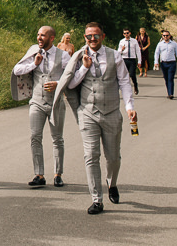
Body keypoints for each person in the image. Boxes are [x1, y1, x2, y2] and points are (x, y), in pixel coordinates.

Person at [53, 22, 137, 215]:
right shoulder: (79, 56)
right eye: (88, 36)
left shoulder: (115, 55)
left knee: (113, 157)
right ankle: (96, 199)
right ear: (84, 38)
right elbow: (70, 84)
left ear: (103, 37)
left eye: (96, 36)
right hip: (88, 113)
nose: (92, 39)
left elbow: (124, 81)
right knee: (91, 155)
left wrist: (129, 107)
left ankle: (112, 183)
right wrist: (83, 68)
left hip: (112, 112)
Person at [12, 25, 71, 188]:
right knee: (35, 136)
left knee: (57, 138)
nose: (39, 37)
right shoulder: (33, 52)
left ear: (51, 38)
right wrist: (33, 65)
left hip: (55, 102)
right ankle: (39, 174)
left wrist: (58, 83)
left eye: (43, 35)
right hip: (37, 101)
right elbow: (17, 69)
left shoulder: (63, 56)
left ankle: (58, 174)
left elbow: (71, 77)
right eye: (38, 34)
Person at [153, 30, 177, 99]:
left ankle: (171, 94)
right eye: (164, 35)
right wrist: (156, 62)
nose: (165, 37)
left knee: (170, 78)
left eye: (167, 35)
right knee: (166, 78)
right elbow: (157, 53)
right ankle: (168, 92)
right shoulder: (160, 44)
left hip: (171, 63)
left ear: (169, 36)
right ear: (162, 36)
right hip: (163, 63)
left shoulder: (174, 44)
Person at [117, 29, 141, 95]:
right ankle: (126, 89)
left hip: (132, 59)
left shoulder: (134, 41)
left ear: (130, 33)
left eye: (127, 33)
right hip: (124, 59)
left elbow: (138, 51)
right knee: (124, 76)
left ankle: (135, 85)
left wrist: (139, 61)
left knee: (132, 74)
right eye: (125, 33)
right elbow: (118, 52)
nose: (126, 34)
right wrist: (122, 49)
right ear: (123, 34)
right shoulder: (121, 41)